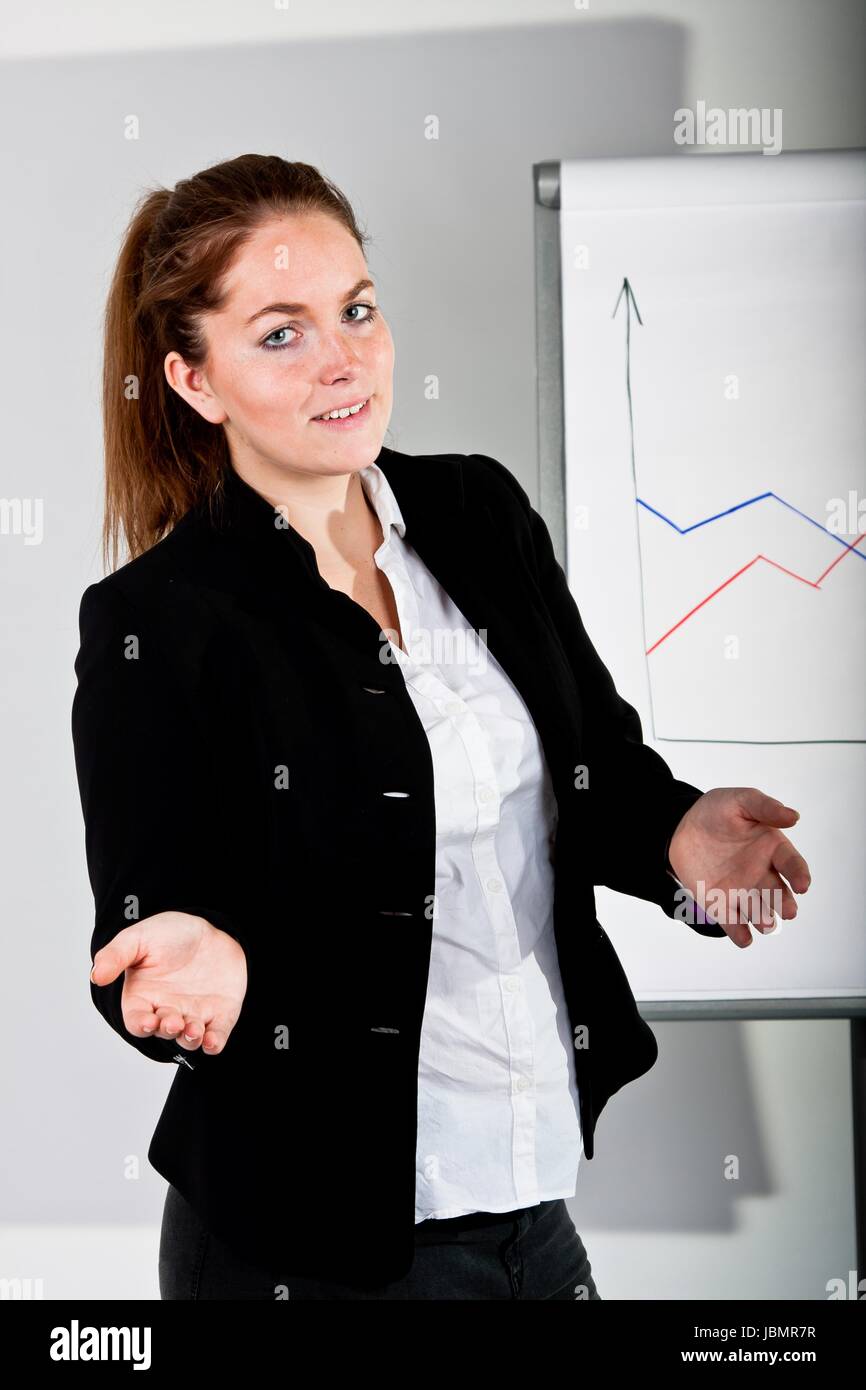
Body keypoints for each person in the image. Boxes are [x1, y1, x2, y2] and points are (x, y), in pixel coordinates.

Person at [71, 154, 812, 1301]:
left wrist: (677, 839)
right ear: (193, 379)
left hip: (531, 1208)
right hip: (314, 1246)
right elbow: (145, 919)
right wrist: (183, 967)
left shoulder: (478, 512)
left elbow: (594, 769)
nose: (343, 358)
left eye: (356, 310)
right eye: (279, 333)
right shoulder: (157, 623)